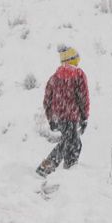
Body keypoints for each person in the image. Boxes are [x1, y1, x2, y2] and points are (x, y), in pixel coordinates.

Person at [37, 45, 90, 177]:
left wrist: (51, 119)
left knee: (72, 142)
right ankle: (49, 168)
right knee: (71, 143)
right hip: (71, 116)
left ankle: (68, 171)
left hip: (59, 117)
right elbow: (83, 98)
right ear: (73, 59)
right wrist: (84, 117)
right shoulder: (78, 74)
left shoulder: (54, 77)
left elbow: (47, 101)